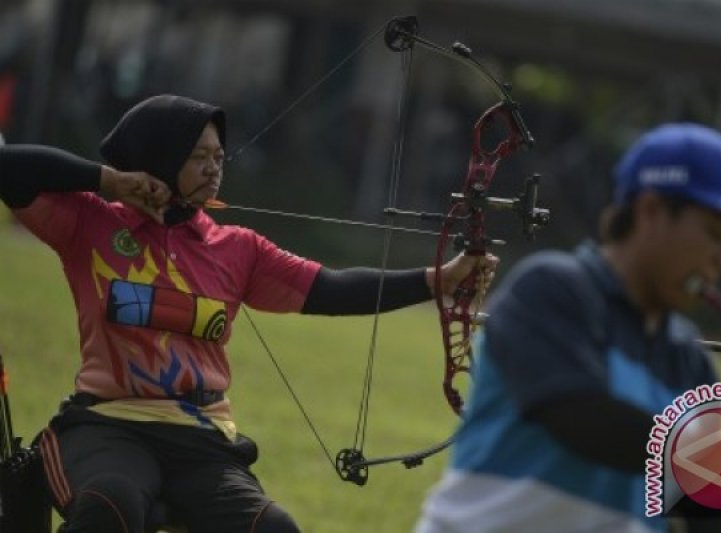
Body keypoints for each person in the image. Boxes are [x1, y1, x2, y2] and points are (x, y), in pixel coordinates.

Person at [0, 94, 496, 533]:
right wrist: (108, 180)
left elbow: (331, 288)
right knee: (111, 505)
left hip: (201, 438)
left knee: (273, 527)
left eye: (219, 156)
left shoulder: (237, 249)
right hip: (109, 424)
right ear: (156, 160)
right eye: (198, 157)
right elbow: (9, 167)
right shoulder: (90, 224)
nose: (215, 168)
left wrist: (436, 280)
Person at [415, 123, 721, 532]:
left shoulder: (688, 361)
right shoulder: (553, 290)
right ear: (651, 210)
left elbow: (708, 517)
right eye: (715, 234)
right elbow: (579, 417)